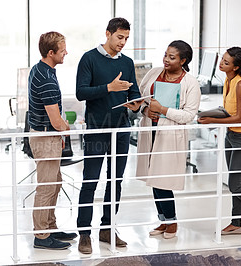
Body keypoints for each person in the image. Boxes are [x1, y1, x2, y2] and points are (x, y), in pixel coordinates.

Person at [75, 17, 142, 254]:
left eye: (126, 38)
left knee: (116, 181)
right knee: (90, 181)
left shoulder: (128, 61)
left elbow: (133, 92)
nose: (123, 42)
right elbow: (81, 92)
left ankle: (107, 227)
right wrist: (108, 88)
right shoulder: (89, 59)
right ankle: (84, 232)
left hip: (121, 129)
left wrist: (136, 105)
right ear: (108, 34)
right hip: (97, 129)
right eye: (119, 37)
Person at [136, 40, 201, 239]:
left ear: (183, 60)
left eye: (172, 57)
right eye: (165, 55)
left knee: (162, 179)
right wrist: (145, 109)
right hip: (150, 130)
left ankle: (171, 221)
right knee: (153, 179)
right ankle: (163, 220)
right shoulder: (153, 73)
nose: (166, 60)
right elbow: (140, 99)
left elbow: (189, 115)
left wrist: (162, 110)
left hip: (171, 134)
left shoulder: (190, 82)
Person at [198, 47, 241, 235]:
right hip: (231, 136)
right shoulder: (228, 80)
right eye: (222, 59)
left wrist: (212, 120)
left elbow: (239, 118)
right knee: (235, 181)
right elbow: (228, 110)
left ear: (236, 67)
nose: (221, 64)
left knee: (235, 184)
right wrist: (210, 114)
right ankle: (236, 223)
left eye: (226, 63)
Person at [28, 31, 77, 250]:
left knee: (55, 185)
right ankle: (41, 236)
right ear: (50, 52)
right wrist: (67, 129)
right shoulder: (46, 78)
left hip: (49, 135)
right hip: (46, 137)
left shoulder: (42, 69)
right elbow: (56, 120)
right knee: (47, 188)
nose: (66, 52)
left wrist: (61, 132)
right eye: (62, 49)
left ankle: (50, 227)